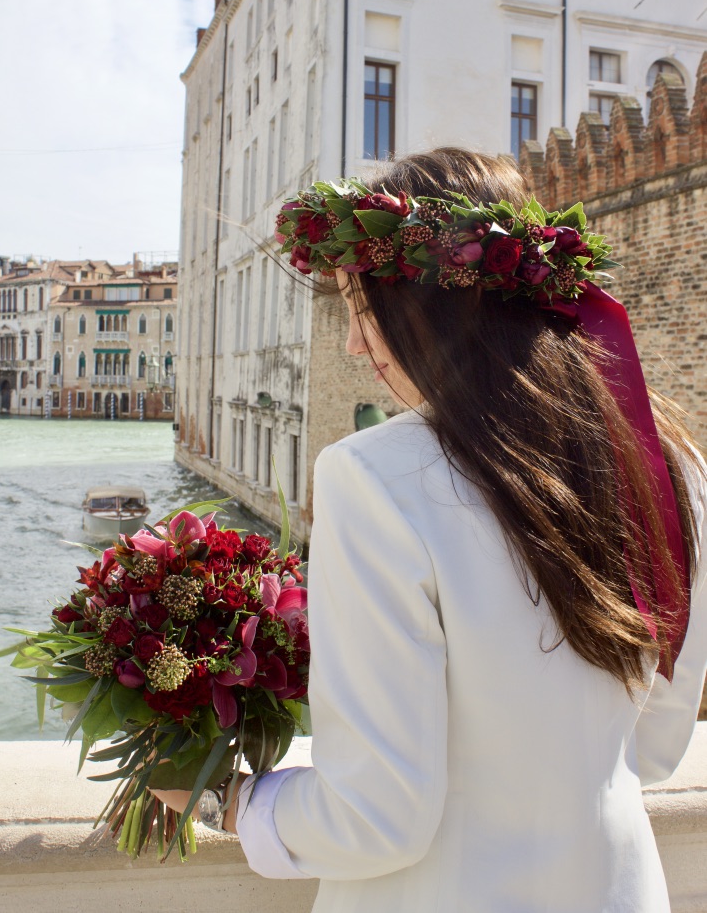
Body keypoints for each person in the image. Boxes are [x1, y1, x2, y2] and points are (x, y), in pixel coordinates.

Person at [162, 148, 707, 912]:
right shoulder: (676, 469)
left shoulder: (374, 481)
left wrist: (229, 801)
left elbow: (376, 816)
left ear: (426, 311)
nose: (356, 344)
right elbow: (654, 750)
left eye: (362, 309)